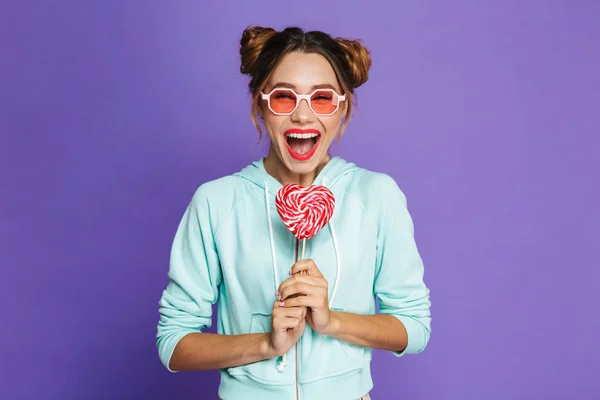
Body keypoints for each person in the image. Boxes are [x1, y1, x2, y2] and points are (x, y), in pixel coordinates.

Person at [156, 25, 432, 400]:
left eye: (321, 99)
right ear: (260, 105)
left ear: (343, 108)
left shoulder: (377, 195)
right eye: (284, 98)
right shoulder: (216, 202)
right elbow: (173, 343)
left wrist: (331, 321)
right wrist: (265, 345)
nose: (303, 116)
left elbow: (414, 329)